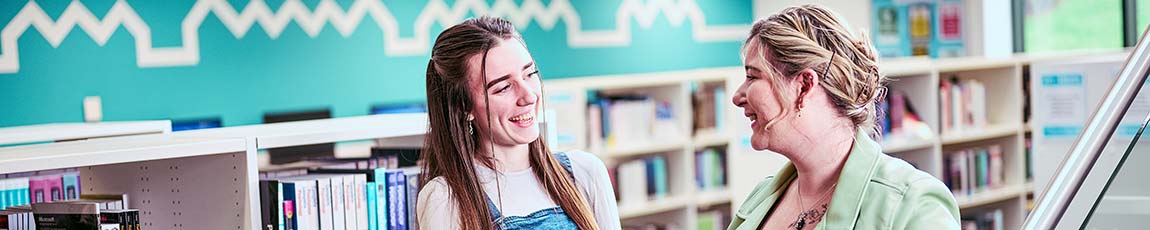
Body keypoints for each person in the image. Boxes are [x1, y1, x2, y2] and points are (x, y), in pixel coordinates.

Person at [727, 5, 960, 230]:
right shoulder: (761, 196)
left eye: (752, 77)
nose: (737, 97)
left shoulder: (914, 206)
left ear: (804, 86)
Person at [416, 16, 620, 230]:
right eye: (503, 87)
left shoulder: (586, 172)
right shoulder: (444, 199)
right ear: (463, 107)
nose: (529, 96)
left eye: (529, 74)